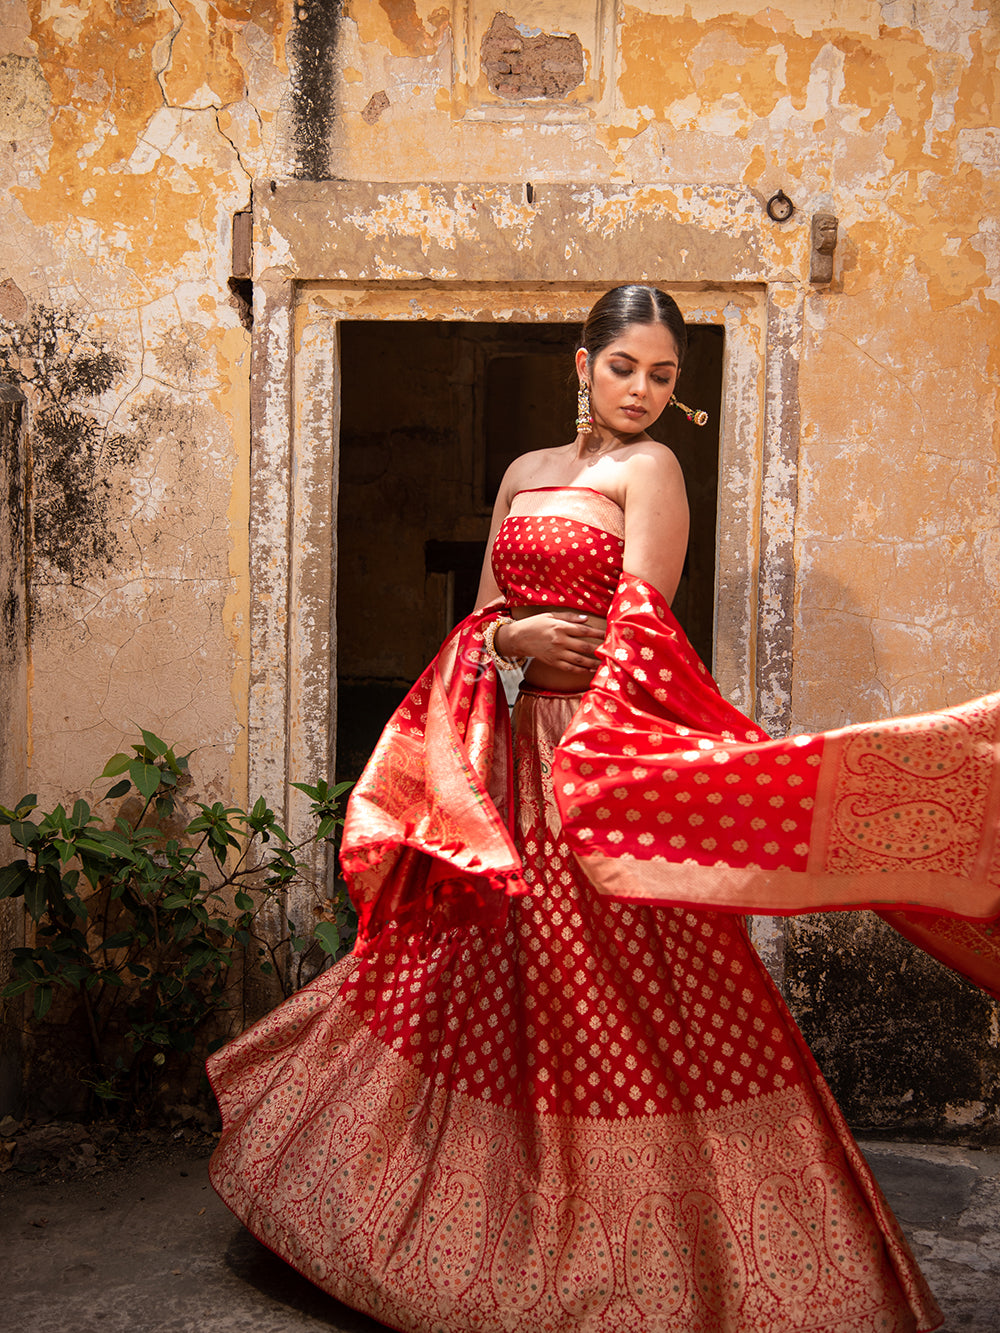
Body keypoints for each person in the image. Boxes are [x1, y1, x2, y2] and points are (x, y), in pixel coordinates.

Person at [208, 285, 1000, 1333]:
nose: (642, 390)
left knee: (634, 995)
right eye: (625, 367)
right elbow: (484, 620)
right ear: (582, 365)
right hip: (509, 769)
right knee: (479, 976)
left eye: (664, 376)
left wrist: (586, 740)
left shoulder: (653, 471)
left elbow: (642, 637)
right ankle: (450, 1223)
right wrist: (511, 644)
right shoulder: (524, 476)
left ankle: (676, 1257)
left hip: (600, 769)